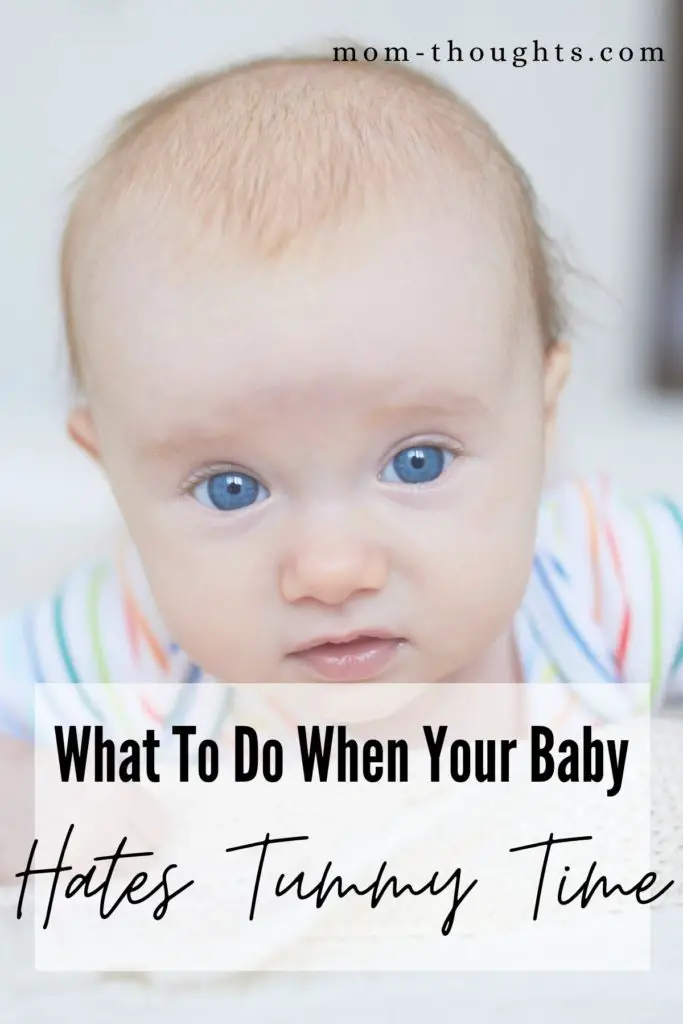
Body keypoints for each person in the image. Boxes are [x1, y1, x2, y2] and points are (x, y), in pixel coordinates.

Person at [1, 53, 682, 880]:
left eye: (418, 462)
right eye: (231, 488)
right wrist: (42, 804)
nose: (330, 570)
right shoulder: (130, 642)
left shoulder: (600, 577)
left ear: (541, 419)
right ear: (112, 472)